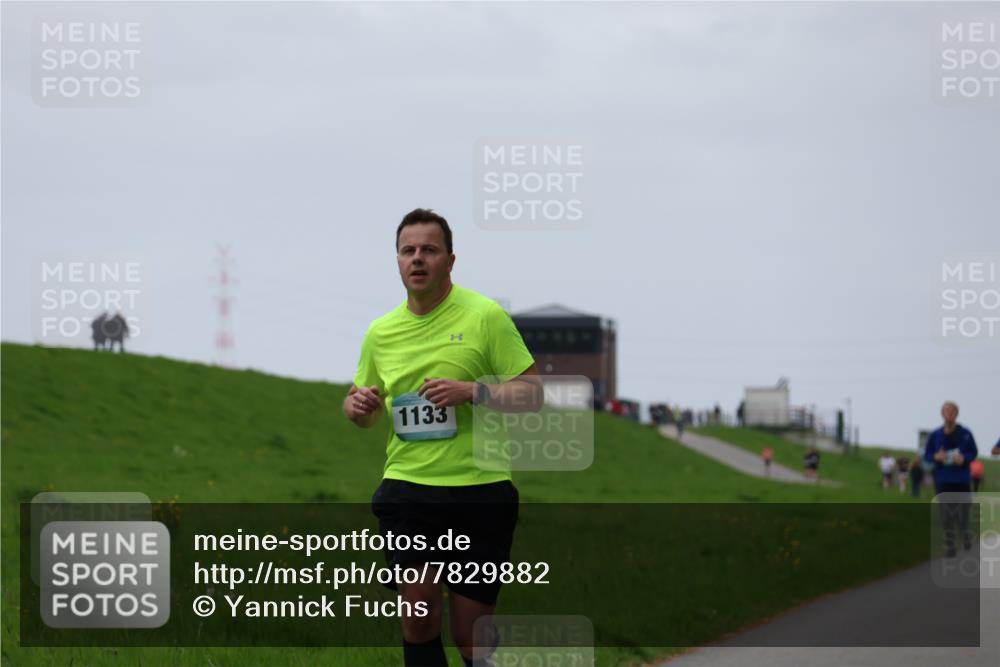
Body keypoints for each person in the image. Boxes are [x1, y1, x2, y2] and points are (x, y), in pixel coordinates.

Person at [344, 208, 543, 667]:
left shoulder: (485, 317)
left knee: (470, 638)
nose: (418, 259)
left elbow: (532, 394)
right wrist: (358, 409)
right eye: (408, 251)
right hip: (408, 488)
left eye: (429, 250)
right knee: (417, 618)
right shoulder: (381, 332)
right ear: (396, 260)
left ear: (450, 261)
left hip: (481, 491)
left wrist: (472, 391)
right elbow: (362, 403)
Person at [924, 401, 978, 556]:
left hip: (961, 479)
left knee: (962, 513)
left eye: (952, 411)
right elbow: (927, 455)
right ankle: (950, 546)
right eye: (947, 411)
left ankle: (965, 533)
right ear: (942, 414)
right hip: (943, 479)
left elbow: (973, 452)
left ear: (957, 414)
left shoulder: (966, 434)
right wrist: (936, 456)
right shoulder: (935, 435)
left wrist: (964, 458)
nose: (949, 414)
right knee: (947, 515)